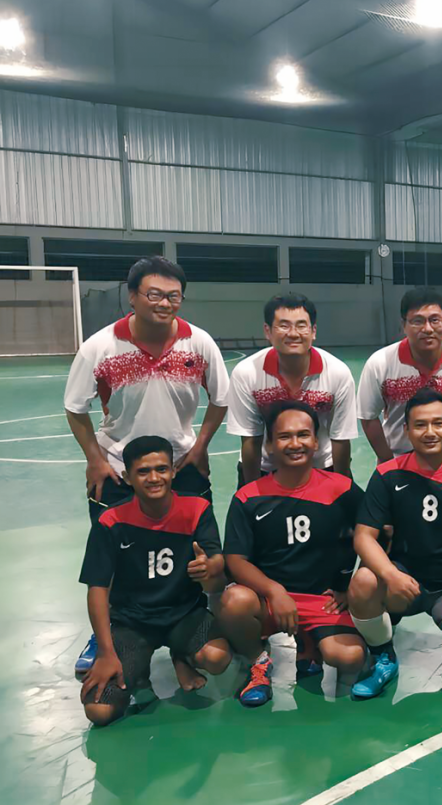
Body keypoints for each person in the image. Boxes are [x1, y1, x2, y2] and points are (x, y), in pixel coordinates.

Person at [65, 256, 229, 675]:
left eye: (174, 296)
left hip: (182, 466)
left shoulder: (199, 343)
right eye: (154, 294)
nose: (164, 303)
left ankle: (189, 633)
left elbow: (221, 399)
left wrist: (201, 446)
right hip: (118, 468)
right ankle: (106, 632)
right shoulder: (100, 347)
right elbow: (75, 408)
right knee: (116, 560)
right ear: (133, 296)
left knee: (194, 553)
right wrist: (95, 460)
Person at [348, 389, 442, 699]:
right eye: (420, 425)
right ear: (406, 429)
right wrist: (390, 574)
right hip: (405, 580)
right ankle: (383, 654)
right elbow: (363, 536)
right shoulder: (388, 473)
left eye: (438, 423)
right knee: (363, 581)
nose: (430, 432)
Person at [218, 401, 367, 708]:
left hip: (322, 599)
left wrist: (352, 586)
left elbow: (377, 534)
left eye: (303, 435)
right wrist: (274, 591)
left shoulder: (342, 490)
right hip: (270, 601)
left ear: (317, 442)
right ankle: (258, 663)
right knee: (234, 601)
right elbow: (235, 560)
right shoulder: (249, 497)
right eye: (284, 436)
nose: (295, 443)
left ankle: (310, 643)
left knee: (350, 657)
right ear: (269, 445)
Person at [78, 435, 231, 727]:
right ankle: (138, 673)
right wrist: (106, 653)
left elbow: (217, 568)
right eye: (143, 471)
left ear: (173, 471)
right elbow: (97, 589)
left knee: (217, 658)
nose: (154, 478)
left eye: (161, 469)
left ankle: (181, 656)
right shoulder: (110, 521)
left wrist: (209, 567)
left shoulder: (197, 509)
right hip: (132, 622)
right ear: (127, 478)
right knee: (99, 711)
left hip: (184, 615)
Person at [227, 293, 357, 487]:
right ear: (268, 331)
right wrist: (252, 493)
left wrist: (342, 489)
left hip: (321, 466)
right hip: (266, 468)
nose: (294, 334)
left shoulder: (338, 373)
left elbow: (341, 439)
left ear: (313, 331)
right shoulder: (247, 373)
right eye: (284, 325)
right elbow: (250, 439)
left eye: (301, 325)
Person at [358, 287, 442, 462]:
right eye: (417, 321)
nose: (427, 329)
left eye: (435, 320)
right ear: (403, 325)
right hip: (398, 459)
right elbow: (368, 417)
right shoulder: (379, 363)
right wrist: (388, 463)